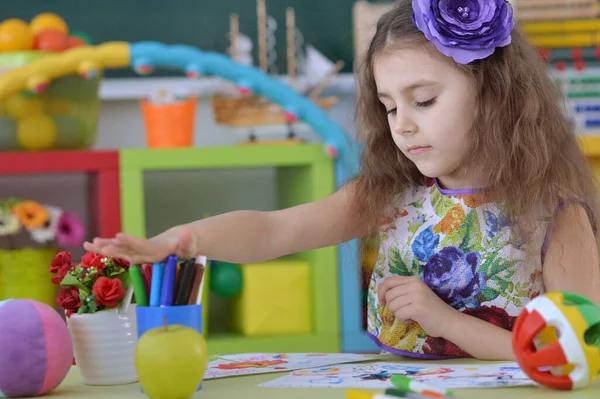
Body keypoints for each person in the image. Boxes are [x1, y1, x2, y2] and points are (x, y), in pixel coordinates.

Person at [84, 0, 600, 360]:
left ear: (495, 95)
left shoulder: (551, 212)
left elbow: (580, 354)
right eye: (389, 105)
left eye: (423, 100)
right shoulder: (395, 194)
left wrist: (447, 323)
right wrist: (186, 240)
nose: (403, 123)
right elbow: (273, 231)